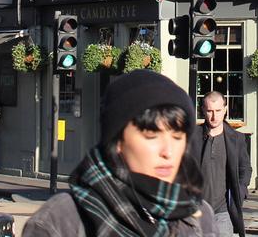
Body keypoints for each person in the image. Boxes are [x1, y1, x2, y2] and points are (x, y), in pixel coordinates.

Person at [22, 70, 216, 237]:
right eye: (151, 135)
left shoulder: (198, 214)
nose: (168, 152)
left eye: (177, 136)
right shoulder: (61, 220)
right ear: (117, 142)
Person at [193, 91, 252, 237]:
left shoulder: (236, 139)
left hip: (224, 212)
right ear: (202, 111)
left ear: (225, 110)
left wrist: (241, 190)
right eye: (209, 111)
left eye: (218, 111)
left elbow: (245, 169)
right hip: (195, 211)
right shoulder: (192, 136)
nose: (214, 116)